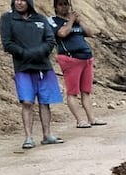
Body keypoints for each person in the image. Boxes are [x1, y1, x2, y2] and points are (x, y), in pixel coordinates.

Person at [0, 0, 63, 149]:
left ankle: (47, 135)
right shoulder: (7, 19)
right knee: (27, 102)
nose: (19, 3)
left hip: (43, 66)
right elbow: (7, 43)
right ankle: (28, 137)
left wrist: (38, 52)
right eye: (17, 0)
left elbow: (50, 40)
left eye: (23, 0)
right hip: (23, 66)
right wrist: (24, 53)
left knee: (45, 102)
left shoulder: (40, 19)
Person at [52, 0, 104, 128]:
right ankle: (80, 120)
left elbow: (90, 33)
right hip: (70, 58)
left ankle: (92, 118)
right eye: (61, 4)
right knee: (72, 92)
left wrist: (79, 21)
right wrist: (70, 21)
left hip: (86, 57)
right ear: (55, 7)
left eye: (66, 4)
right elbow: (62, 33)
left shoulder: (75, 21)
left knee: (86, 91)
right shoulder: (53, 21)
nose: (64, 7)